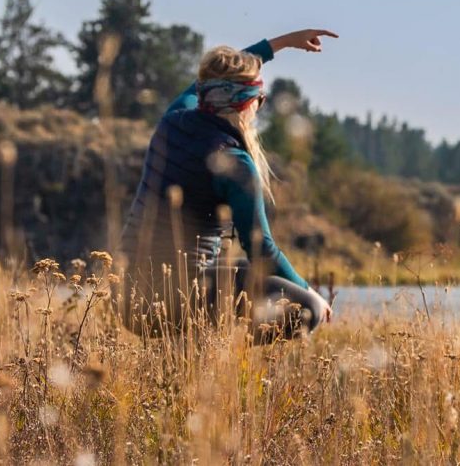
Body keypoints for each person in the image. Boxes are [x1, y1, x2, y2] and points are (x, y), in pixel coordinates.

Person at [121, 29, 337, 340]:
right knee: (306, 310)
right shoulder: (234, 162)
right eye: (259, 101)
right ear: (246, 104)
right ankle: (213, 360)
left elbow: (209, 78)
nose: (258, 111)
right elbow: (262, 251)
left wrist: (280, 44)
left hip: (126, 299)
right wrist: (311, 292)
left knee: (223, 266)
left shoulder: (172, 122)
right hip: (174, 302)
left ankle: (190, 354)